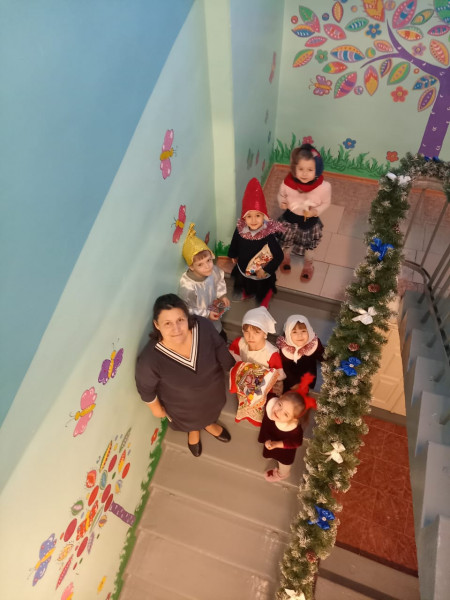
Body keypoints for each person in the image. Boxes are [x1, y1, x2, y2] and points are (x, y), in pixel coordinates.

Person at [135, 294, 235, 458]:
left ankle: (209, 424)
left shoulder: (202, 326)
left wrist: (234, 370)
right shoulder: (150, 360)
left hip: (213, 394)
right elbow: (146, 389)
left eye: (180, 320)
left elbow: (218, 346)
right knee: (190, 421)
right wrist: (156, 409)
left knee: (211, 410)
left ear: (187, 317)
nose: (176, 329)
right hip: (183, 408)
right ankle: (193, 430)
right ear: (157, 325)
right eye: (167, 323)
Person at [277, 143, 331, 282]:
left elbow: (326, 203)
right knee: (286, 241)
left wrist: (316, 211)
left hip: (309, 223)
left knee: (309, 247)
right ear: (294, 168)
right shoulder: (287, 183)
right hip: (290, 219)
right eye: (301, 169)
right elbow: (281, 195)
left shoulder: (323, 187)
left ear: (317, 170)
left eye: (310, 169)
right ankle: (285, 258)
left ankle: (308, 264)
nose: (305, 173)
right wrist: (282, 202)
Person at [228, 178, 285, 307]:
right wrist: (233, 254)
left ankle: (264, 298)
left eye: (258, 216)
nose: (253, 220)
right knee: (245, 282)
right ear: (244, 218)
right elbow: (235, 241)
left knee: (261, 287)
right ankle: (247, 292)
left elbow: (279, 256)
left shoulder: (267, 235)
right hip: (243, 266)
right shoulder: (240, 230)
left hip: (260, 272)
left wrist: (265, 270)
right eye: (249, 216)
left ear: (264, 216)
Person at [229, 306, 285, 425]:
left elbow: (277, 375)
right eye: (247, 331)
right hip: (244, 381)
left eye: (256, 332)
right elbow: (233, 359)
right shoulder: (240, 343)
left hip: (260, 386)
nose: (250, 336)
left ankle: (255, 417)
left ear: (265, 333)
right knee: (243, 398)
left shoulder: (270, 353)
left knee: (256, 403)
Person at [258, 374, 316, 482]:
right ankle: (271, 454)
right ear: (280, 398)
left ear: (294, 419)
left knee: (284, 465)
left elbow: (296, 442)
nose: (278, 412)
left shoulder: (294, 429)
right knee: (269, 450)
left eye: (286, 414)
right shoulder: (271, 403)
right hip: (270, 437)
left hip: (284, 450)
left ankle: (282, 474)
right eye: (280, 405)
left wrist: (277, 444)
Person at [179, 223, 229, 341]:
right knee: (206, 336)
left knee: (218, 332)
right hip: (200, 319)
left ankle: (221, 338)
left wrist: (222, 295)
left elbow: (219, 280)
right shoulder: (188, 286)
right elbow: (186, 309)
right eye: (200, 264)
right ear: (191, 266)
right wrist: (206, 314)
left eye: (208, 260)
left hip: (213, 309)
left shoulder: (213, 270)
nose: (207, 266)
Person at [276, 315, 325, 392]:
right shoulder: (284, 348)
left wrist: (331, 359)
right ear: (288, 334)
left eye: (303, 331)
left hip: (308, 380)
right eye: (294, 332)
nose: (300, 335)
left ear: (309, 331)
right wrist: (293, 384)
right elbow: (285, 369)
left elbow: (323, 356)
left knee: (306, 395)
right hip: (289, 383)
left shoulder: (313, 344)